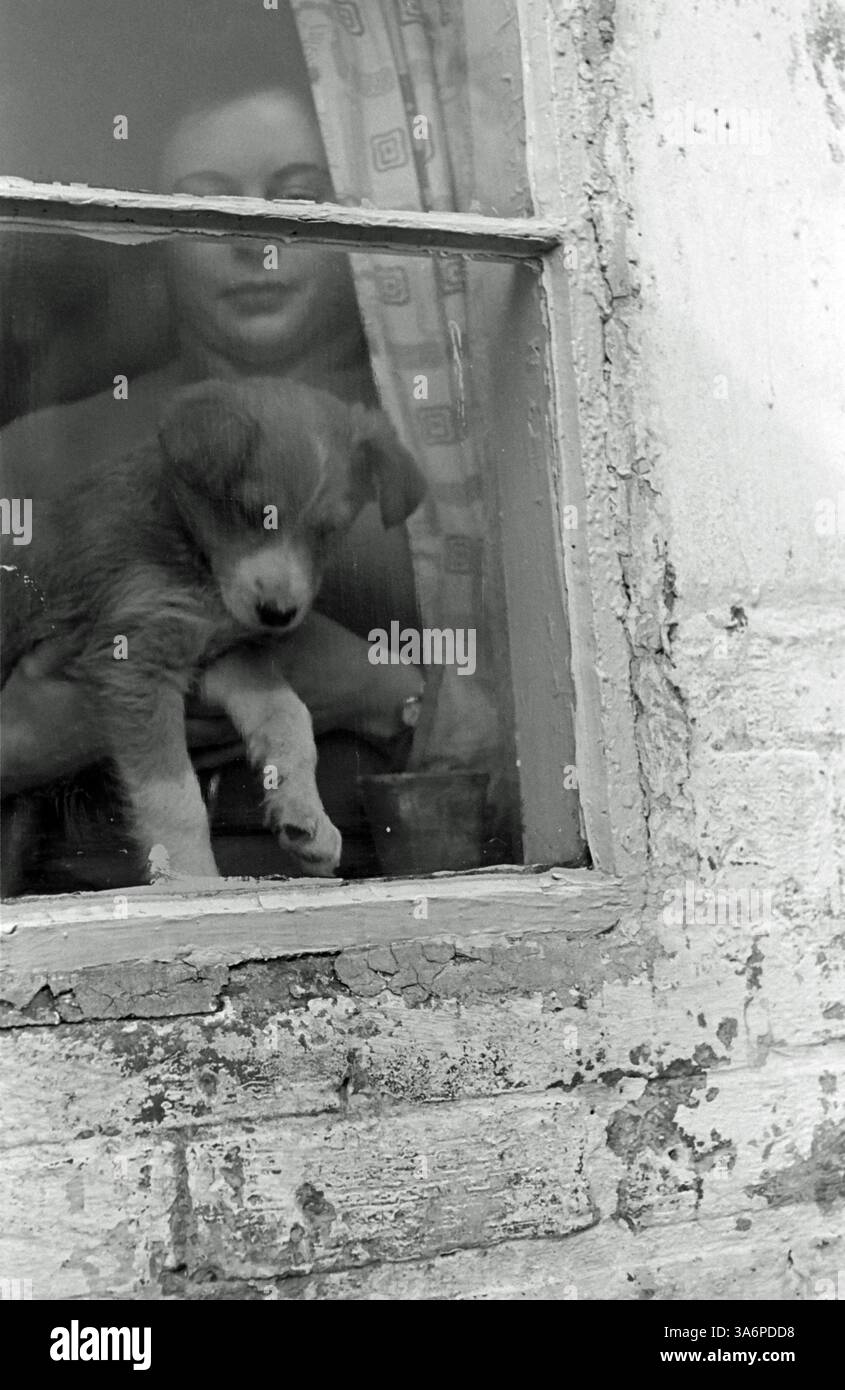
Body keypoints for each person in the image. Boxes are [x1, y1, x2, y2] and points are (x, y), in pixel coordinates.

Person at [0, 87, 425, 887]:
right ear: (152, 228)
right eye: (204, 204)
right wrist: (24, 745)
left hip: (400, 895)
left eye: (297, 197)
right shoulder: (36, 456)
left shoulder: (444, 459)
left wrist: (383, 690)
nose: (253, 237)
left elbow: (502, 733)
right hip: (80, 921)